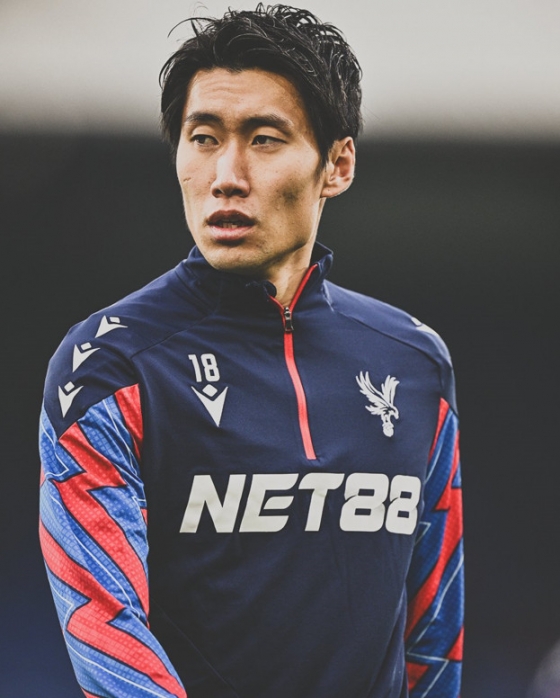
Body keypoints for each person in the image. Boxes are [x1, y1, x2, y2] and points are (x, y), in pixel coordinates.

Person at [39, 5, 464, 697]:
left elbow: (434, 636)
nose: (226, 175)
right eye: (203, 138)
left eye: (264, 139)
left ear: (338, 164)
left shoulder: (414, 363)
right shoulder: (108, 367)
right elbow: (105, 630)